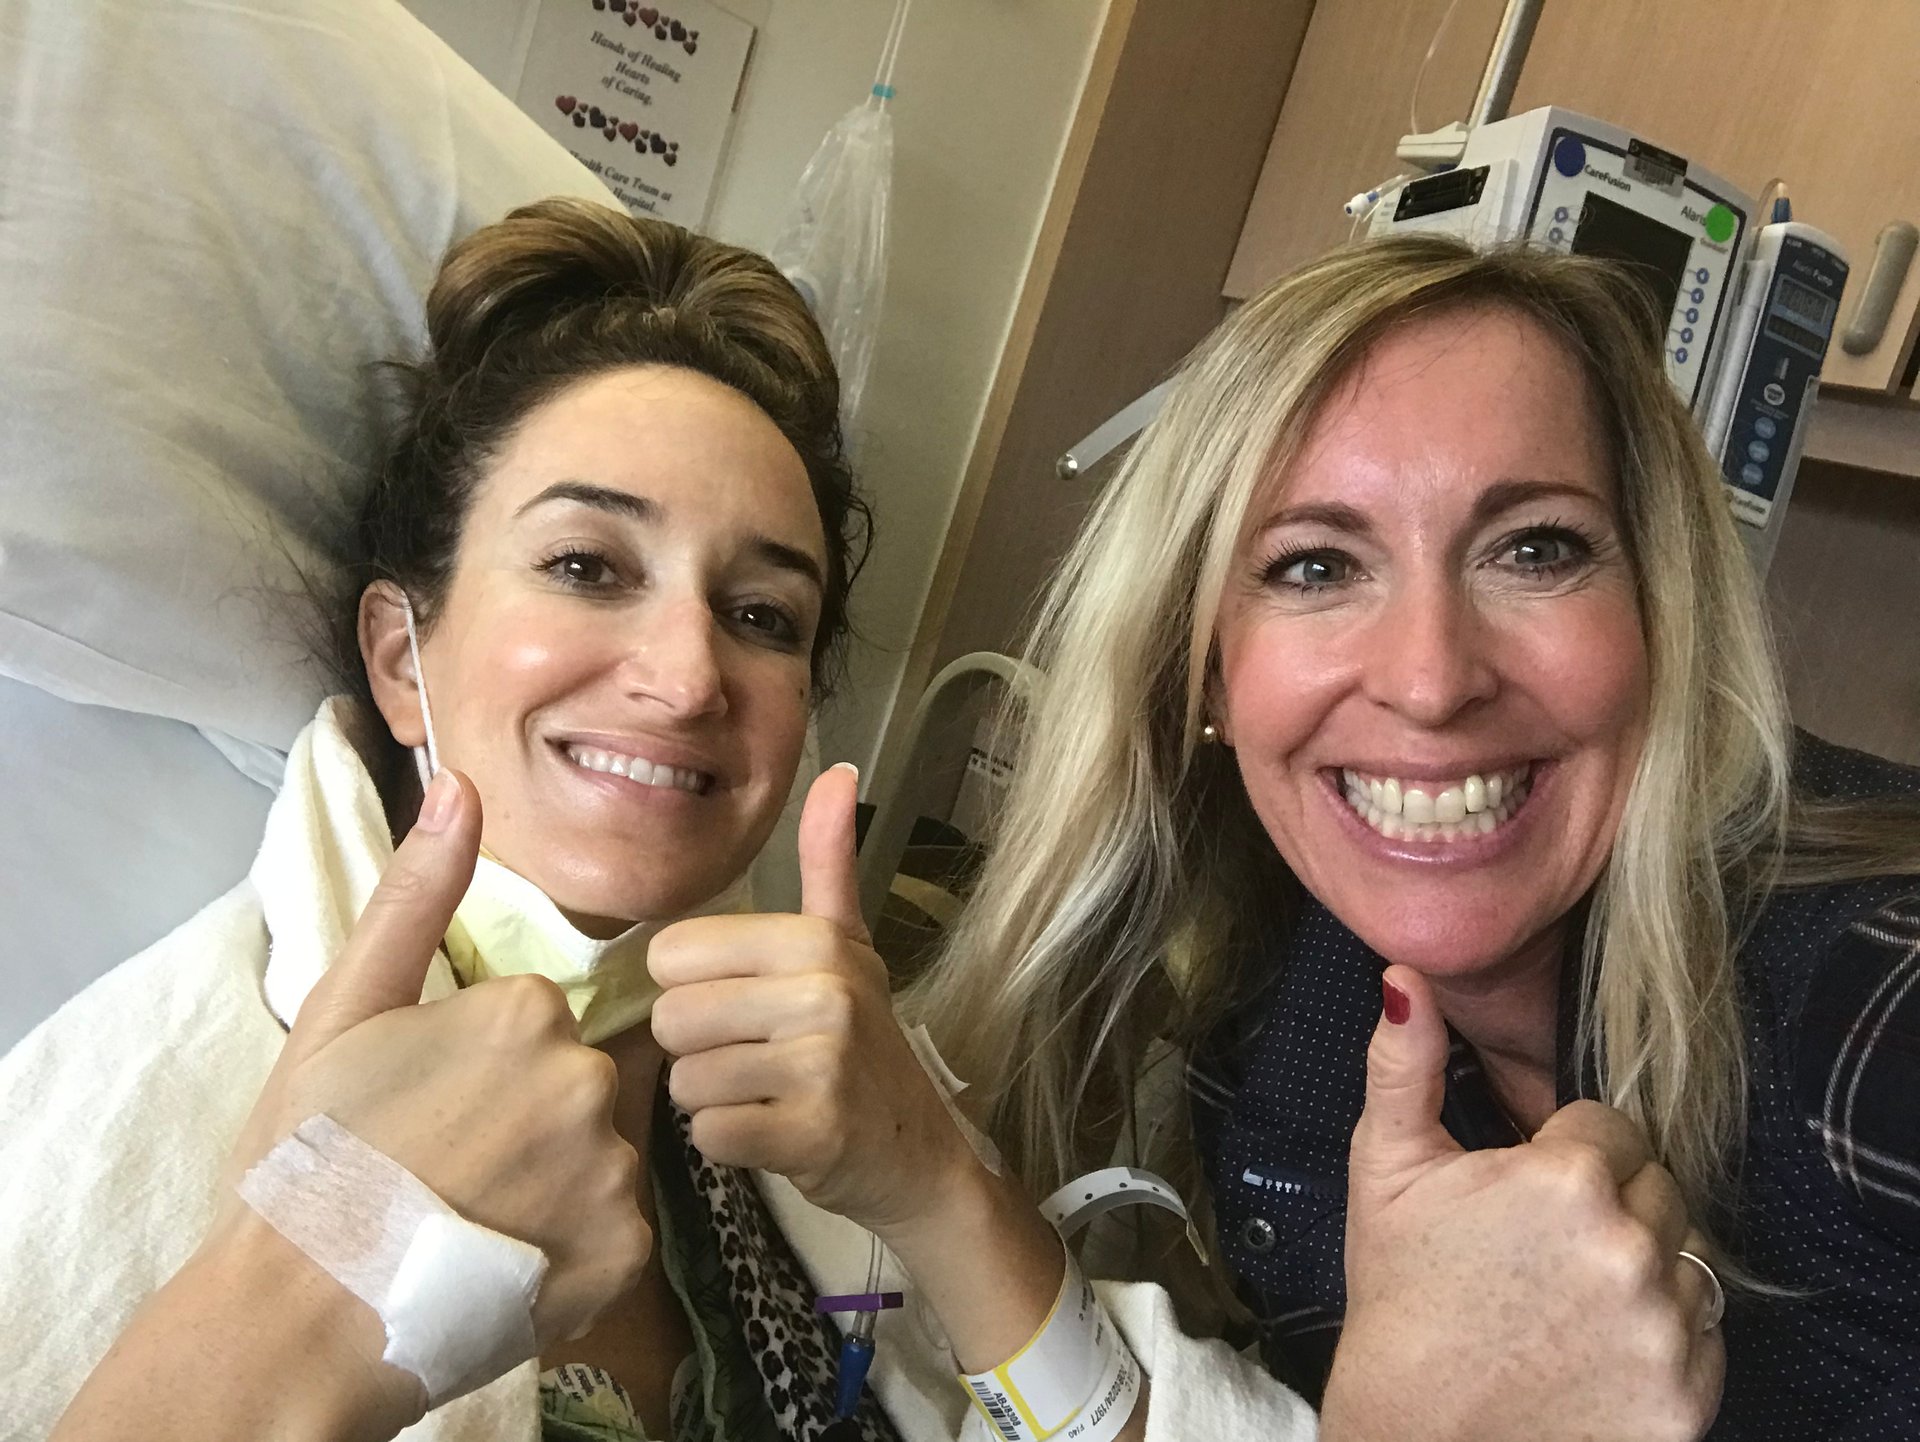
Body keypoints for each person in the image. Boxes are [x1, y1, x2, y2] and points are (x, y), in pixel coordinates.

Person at [6, 204, 1713, 1442]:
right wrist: (311, 1277)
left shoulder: (826, 1112)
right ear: (401, 654)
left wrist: (939, 1181)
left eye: (763, 613)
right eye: (588, 565)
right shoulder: (146, 1104)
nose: (686, 672)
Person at [913, 233, 1920, 1440]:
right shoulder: (1278, 1039)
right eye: (1316, 565)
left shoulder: (1877, 1001)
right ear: (1207, 675)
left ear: (1663, 614)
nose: (1433, 680)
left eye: (1534, 548)